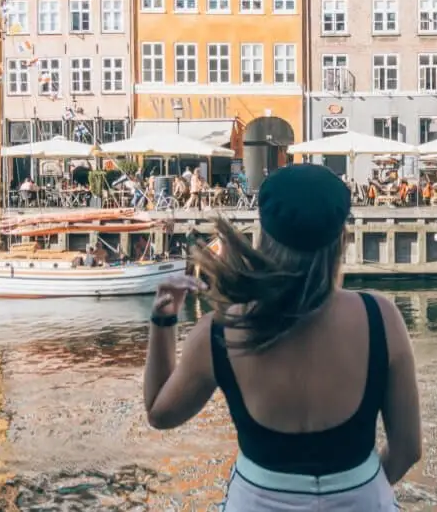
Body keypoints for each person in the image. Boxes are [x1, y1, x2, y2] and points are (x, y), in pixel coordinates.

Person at [142, 165, 421, 510]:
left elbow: (160, 414)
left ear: (264, 238)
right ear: (342, 240)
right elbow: (408, 449)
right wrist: (353, 488)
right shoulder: (382, 319)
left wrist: (162, 320)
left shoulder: (220, 331)